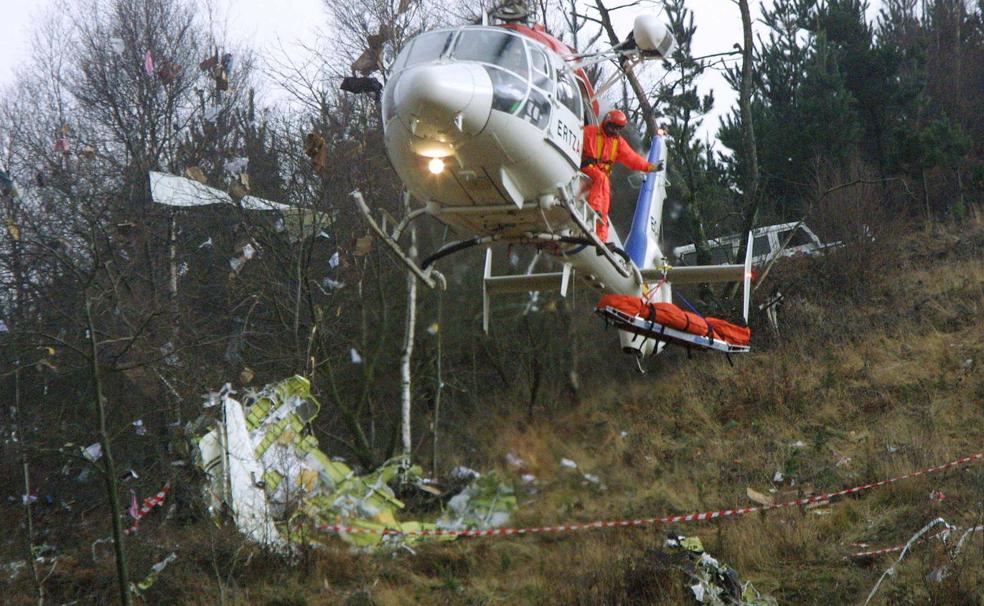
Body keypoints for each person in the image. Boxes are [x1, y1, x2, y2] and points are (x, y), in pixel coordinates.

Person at [581, 110, 659, 242]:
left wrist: (649, 167)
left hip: (602, 178)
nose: (615, 131)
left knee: (605, 204)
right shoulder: (590, 132)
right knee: (601, 180)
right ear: (606, 123)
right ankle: (593, 210)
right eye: (613, 127)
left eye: (618, 129)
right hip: (588, 169)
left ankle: (601, 239)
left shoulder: (618, 143)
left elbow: (633, 158)